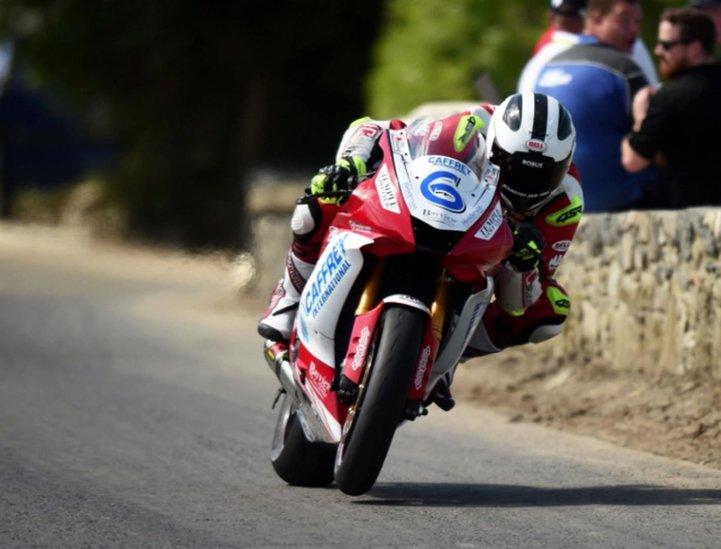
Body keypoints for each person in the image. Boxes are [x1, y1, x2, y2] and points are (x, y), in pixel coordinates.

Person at [258, 93, 584, 405]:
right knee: (316, 208)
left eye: (542, 174)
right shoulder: (470, 126)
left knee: (549, 311)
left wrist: (525, 264)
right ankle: (288, 300)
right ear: (494, 145)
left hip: (487, 255)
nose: (526, 185)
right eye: (515, 167)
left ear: (565, 164)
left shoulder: (566, 203)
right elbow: (379, 129)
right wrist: (351, 163)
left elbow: (519, 302)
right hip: (436, 215)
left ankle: (450, 359)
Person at [621, 7, 721, 208]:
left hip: (697, 224)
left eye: (666, 45)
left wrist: (639, 116)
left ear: (695, 49)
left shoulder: (666, 98)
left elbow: (633, 160)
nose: (658, 51)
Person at [530, 0, 655, 212]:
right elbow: (655, 141)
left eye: (637, 21)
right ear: (596, 18)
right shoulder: (624, 69)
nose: (634, 30)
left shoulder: (547, 65)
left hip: (557, 207)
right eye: (625, 20)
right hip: (618, 206)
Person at [519, 0, 660, 96]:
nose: (563, 23)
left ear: (591, 17)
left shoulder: (630, 43)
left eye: (572, 15)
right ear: (550, 18)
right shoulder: (545, 54)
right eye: (560, 15)